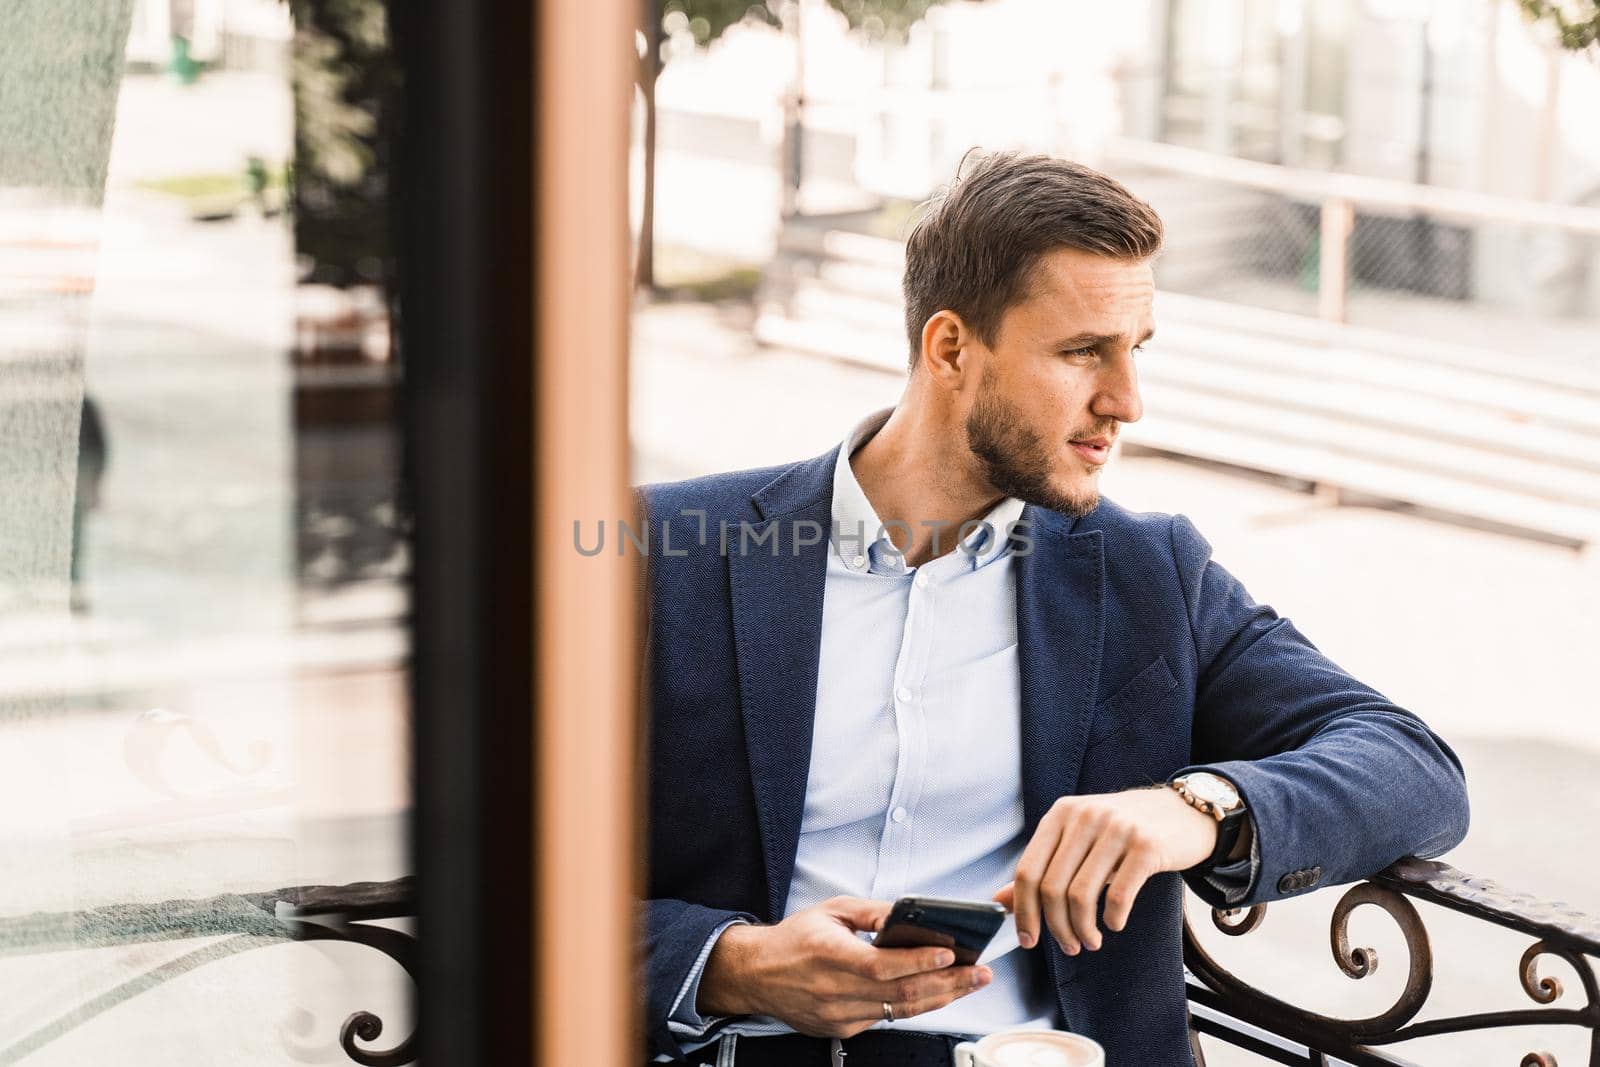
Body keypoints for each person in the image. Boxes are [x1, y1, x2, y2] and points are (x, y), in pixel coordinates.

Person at [635, 153, 1469, 1067]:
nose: (1126, 401)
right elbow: (479, 873)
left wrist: (1196, 806)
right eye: (1082, 352)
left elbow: (1410, 765)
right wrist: (728, 965)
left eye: (1134, 350)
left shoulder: (1151, 573)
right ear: (950, 348)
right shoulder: (672, 549)